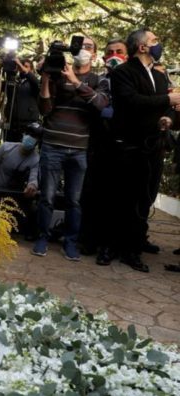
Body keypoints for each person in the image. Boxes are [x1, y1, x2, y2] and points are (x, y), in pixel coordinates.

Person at [32, 35, 109, 261]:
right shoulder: (57, 75)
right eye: (80, 46)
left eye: (88, 47)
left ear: (94, 54)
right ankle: (42, 237)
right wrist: (46, 79)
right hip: (52, 144)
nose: (83, 50)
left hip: (79, 148)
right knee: (46, 197)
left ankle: (71, 242)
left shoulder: (99, 80)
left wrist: (75, 81)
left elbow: (101, 104)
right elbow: (45, 109)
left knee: (74, 200)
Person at [110, 28, 180, 272]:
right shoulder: (123, 73)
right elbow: (132, 102)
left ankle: (138, 240)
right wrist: (168, 100)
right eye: (154, 40)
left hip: (154, 147)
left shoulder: (159, 77)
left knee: (147, 197)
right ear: (142, 47)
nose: (158, 44)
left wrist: (168, 118)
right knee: (129, 199)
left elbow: (166, 108)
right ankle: (128, 250)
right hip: (131, 146)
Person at [79, 39, 128, 265]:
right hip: (98, 144)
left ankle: (110, 245)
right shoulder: (99, 81)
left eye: (119, 51)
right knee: (92, 193)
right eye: (110, 52)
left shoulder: (131, 82)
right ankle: (90, 239)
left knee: (115, 197)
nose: (114, 55)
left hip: (123, 146)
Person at [2, 58, 40, 142]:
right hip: (12, 124)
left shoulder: (33, 82)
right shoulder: (14, 81)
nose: (23, 68)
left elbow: (35, 82)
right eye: (21, 66)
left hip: (28, 125)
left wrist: (20, 65)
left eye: (26, 66)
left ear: (31, 70)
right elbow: (2, 86)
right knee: (9, 148)